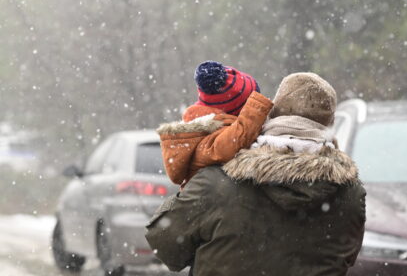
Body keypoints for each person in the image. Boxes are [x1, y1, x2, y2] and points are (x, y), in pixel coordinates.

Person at [146, 73, 366, 276]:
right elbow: (347, 258)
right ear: (329, 124)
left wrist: (191, 184)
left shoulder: (217, 184)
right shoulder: (350, 194)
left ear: (272, 115)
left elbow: (165, 247)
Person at [157, 61, 273, 187]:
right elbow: (227, 146)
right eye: (248, 103)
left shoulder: (210, 127)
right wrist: (255, 111)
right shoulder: (210, 136)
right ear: (238, 111)